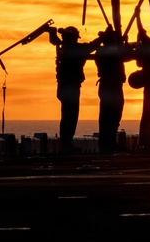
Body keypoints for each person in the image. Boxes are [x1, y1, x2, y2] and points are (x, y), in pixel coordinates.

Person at [47, 25, 99, 154]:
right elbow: (90, 47)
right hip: (70, 87)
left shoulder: (65, 48)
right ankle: (66, 144)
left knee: (67, 115)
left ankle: (66, 143)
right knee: (70, 116)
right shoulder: (73, 49)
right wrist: (101, 38)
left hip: (64, 87)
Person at [94, 25, 127, 152]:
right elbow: (124, 55)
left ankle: (108, 142)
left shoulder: (104, 51)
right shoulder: (108, 52)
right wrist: (122, 43)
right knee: (110, 115)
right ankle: (107, 143)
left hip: (111, 85)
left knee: (110, 115)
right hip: (111, 85)